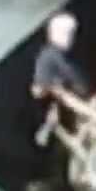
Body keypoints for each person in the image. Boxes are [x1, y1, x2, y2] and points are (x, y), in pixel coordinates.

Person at [31, 13, 86, 147]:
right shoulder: (48, 59)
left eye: (71, 33)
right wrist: (91, 112)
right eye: (67, 33)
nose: (70, 37)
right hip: (64, 119)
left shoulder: (65, 56)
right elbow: (59, 94)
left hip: (76, 113)